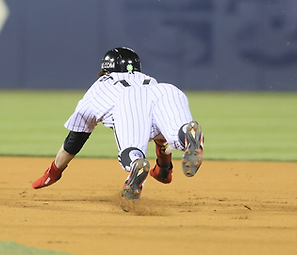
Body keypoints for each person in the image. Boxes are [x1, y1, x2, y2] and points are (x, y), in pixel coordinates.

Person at [32, 47, 204, 203]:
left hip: (129, 102)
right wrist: (164, 168)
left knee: (132, 151)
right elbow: (158, 133)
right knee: (175, 134)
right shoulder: (148, 80)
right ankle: (186, 135)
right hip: (167, 91)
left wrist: (53, 172)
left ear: (106, 70)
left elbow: (75, 139)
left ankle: (136, 163)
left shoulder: (101, 85)